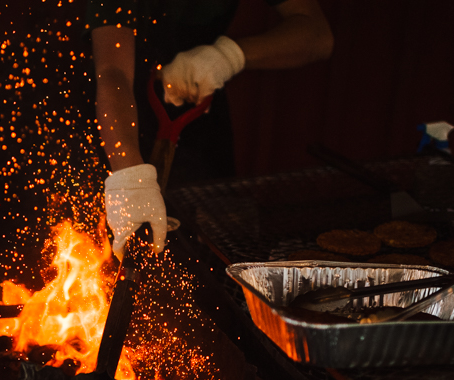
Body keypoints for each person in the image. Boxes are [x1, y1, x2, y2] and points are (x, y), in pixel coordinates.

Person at [88, 0, 334, 259]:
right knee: (107, 252)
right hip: (119, 118)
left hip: (200, 105)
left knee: (210, 254)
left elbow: (318, 36)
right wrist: (129, 175)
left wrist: (229, 56)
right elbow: (113, 71)